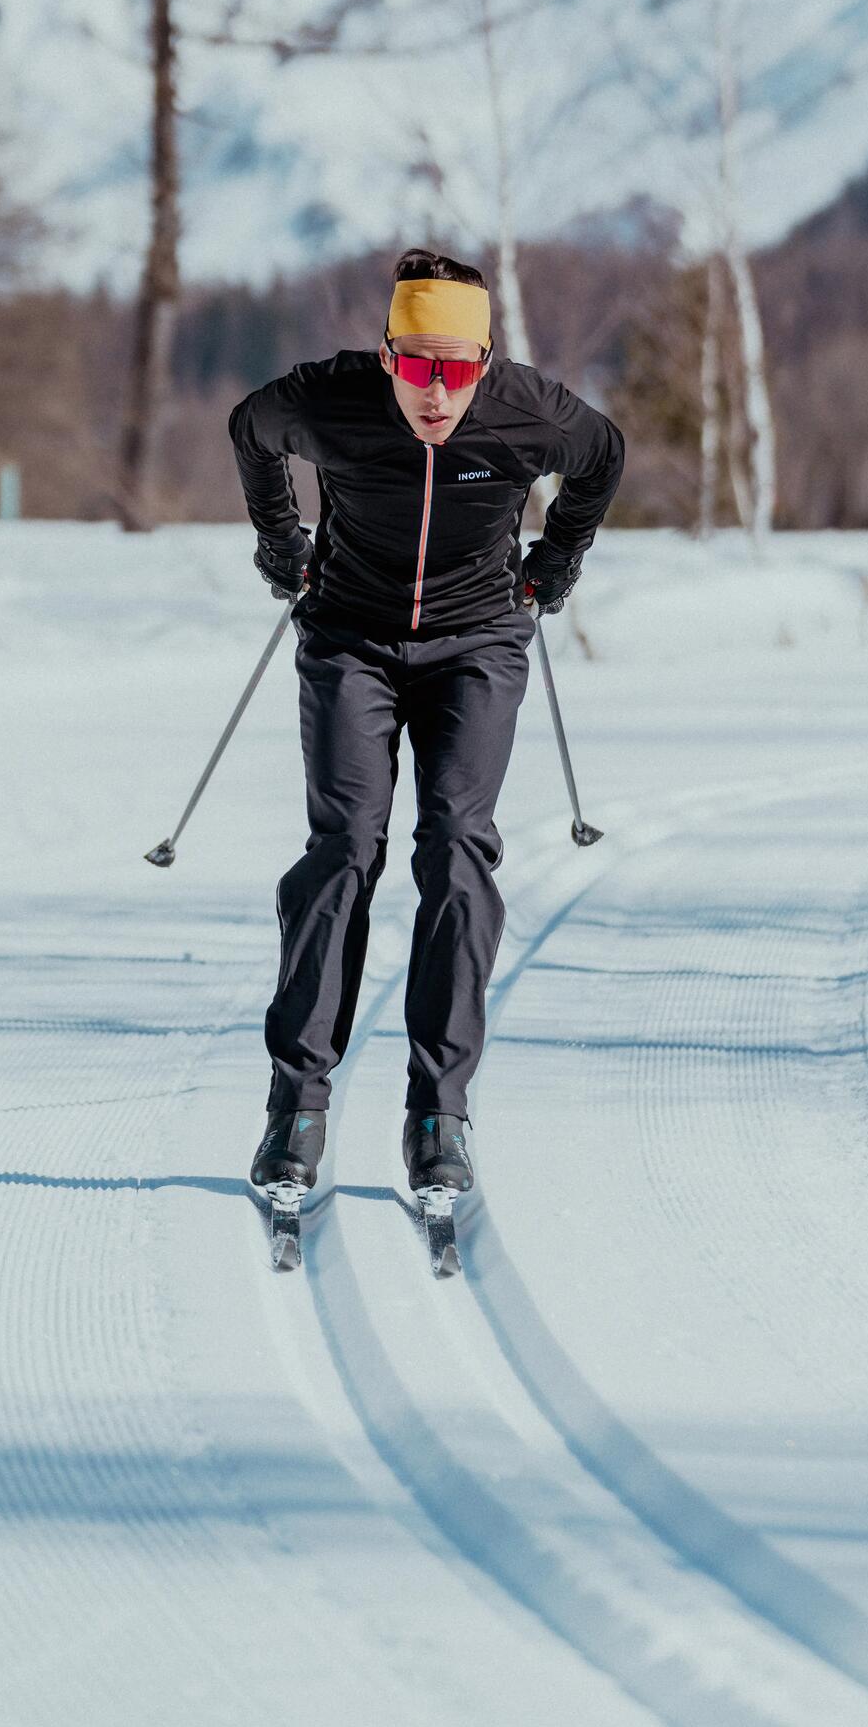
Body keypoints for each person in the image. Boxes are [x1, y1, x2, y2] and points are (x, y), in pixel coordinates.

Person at [228, 246, 625, 1202]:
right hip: (349, 640)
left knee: (455, 845)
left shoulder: (528, 412)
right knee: (344, 850)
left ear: (485, 364)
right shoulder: (329, 403)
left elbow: (604, 456)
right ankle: (297, 1107)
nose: (435, 393)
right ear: (387, 354)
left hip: (477, 643)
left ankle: (439, 1113)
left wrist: (556, 560)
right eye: (415, 366)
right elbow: (250, 429)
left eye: (455, 370)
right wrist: (283, 544)